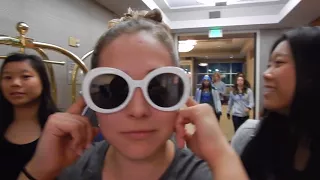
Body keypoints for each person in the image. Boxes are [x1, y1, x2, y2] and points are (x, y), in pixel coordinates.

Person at [18, 9, 248, 180]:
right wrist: (40, 169)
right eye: (117, 90)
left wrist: (221, 155)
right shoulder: (71, 169)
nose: (138, 110)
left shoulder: (208, 175)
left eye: (158, 88)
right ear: (91, 99)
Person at [232, 27, 320, 180]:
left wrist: (218, 151)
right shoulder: (254, 137)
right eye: (268, 66)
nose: (266, 74)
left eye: (279, 63)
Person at [0, 53, 59, 180]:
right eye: (7, 77)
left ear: (42, 81)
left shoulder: (58, 127)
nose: (15, 83)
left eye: (25, 76)